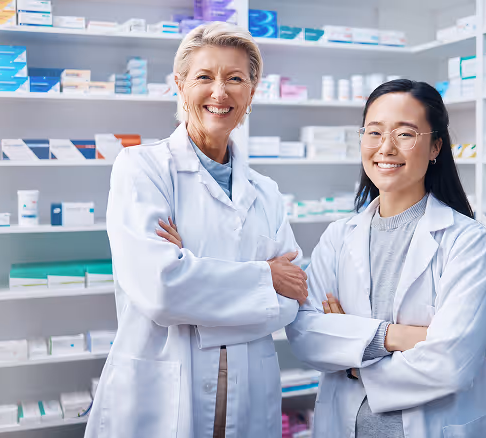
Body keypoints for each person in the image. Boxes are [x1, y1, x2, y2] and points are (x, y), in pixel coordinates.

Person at [85, 22, 308, 438]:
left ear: (252, 92)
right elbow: (162, 291)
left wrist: (196, 273)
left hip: (249, 387)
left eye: (235, 79)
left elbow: (291, 299)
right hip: (165, 389)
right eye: (204, 77)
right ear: (180, 86)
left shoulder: (267, 192)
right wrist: (264, 276)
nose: (219, 92)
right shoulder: (141, 170)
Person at [286, 79, 486, 437]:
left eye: (404, 134)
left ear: (435, 146)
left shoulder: (466, 240)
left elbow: (451, 361)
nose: (385, 148)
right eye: (374, 132)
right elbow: (307, 336)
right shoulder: (339, 238)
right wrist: (395, 336)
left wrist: (355, 361)